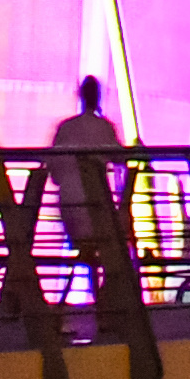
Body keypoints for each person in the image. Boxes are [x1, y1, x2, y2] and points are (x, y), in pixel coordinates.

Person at [46, 73, 131, 298]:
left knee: (92, 247)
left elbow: (53, 173)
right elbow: (120, 158)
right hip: (97, 207)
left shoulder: (65, 129)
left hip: (70, 206)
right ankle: (105, 299)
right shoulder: (104, 128)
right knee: (113, 245)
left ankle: (98, 297)